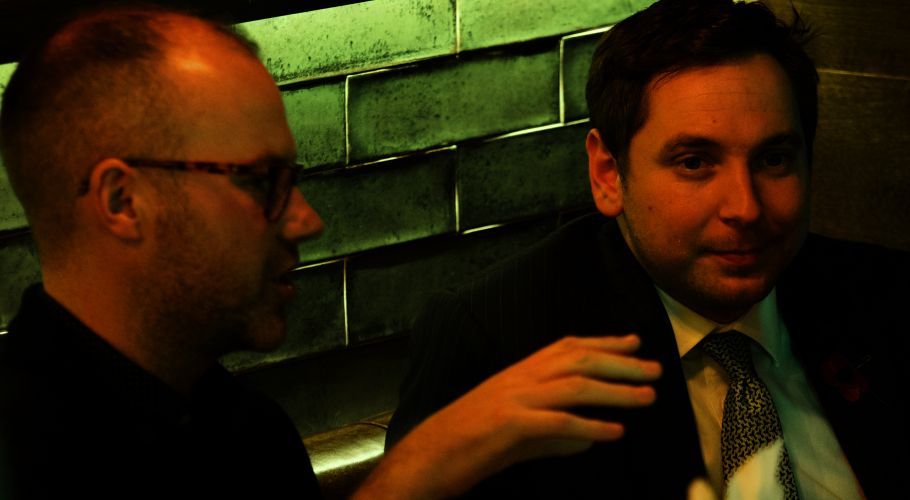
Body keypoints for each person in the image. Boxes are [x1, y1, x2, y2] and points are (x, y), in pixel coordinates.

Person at [0, 4, 670, 499]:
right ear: (123, 201)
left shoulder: (246, 432)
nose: (307, 219)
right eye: (260, 181)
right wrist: (414, 474)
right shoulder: (25, 455)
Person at [387, 0, 910, 498]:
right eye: (694, 163)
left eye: (773, 160)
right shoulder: (497, 340)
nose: (746, 208)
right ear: (607, 174)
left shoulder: (884, 298)